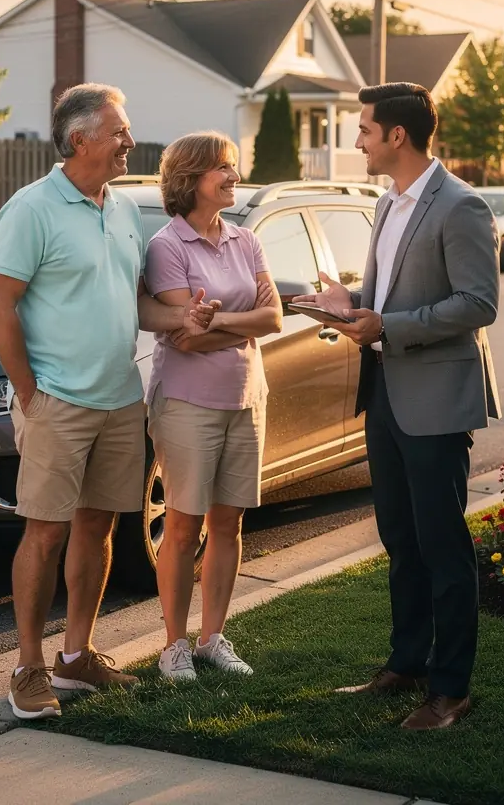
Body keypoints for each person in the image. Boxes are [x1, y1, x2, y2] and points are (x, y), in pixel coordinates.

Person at [0, 84, 217, 721]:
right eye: (119, 131)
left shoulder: (123, 211)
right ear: (79, 138)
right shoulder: (31, 209)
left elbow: (131, 303)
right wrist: (30, 392)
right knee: (45, 533)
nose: (129, 141)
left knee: (97, 526)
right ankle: (28, 668)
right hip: (56, 399)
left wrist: (179, 316)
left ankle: (75, 657)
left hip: (120, 398)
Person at [295, 82, 500, 731]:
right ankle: (406, 663)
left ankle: (450, 689)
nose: (355, 140)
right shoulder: (388, 204)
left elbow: (478, 304)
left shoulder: (460, 207)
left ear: (397, 137)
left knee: (443, 547)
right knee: (400, 539)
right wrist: (348, 302)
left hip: (436, 398)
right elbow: (388, 293)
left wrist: (387, 324)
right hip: (384, 392)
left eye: (362, 130)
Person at [143, 132, 282, 682]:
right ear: (189, 178)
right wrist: (226, 325)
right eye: (222, 168)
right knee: (182, 526)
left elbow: (272, 320)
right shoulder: (167, 246)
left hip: (247, 398)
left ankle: (211, 639)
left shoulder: (247, 241)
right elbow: (184, 338)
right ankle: (173, 645)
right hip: (186, 403)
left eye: (233, 165)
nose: (233, 175)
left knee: (229, 524)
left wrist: (218, 320)